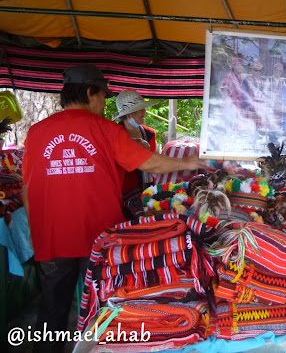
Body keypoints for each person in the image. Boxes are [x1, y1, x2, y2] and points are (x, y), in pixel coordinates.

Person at [22, 64, 209, 353]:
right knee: (103, 308)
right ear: (89, 93)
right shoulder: (107, 130)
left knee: (51, 308)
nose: (103, 103)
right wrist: (191, 163)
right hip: (99, 238)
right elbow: (150, 162)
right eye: (102, 97)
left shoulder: (36, 132)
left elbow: (27, 187)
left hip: (51, 236)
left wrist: (34, 230)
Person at [112, 90, 159, 219]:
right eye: (139, 109)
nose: (144, 112)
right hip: (123, 195)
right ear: (128, 114)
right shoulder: (113, 135)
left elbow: (152, 163)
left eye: (143, 108)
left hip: (148, 190)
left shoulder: (150, 134)